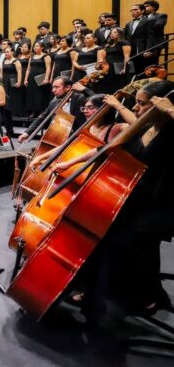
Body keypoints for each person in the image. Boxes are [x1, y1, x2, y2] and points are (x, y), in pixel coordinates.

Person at [54, 80, 174, 328]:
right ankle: (100, 289)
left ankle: (144, 294)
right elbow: (107, 149)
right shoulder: (143, 129)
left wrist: (172, 111)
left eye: (141, 104)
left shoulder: (171, 133)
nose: (136, 109)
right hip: (134, 198)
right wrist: (67, 164)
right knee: (107, 236)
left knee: (127, 240)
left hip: (158, 206)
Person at [17, 77, 94, 144]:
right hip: (58, 139)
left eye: (56, 87)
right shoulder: (53, 102)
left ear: (67, 87)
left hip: (78, 138)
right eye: (53, 87)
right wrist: (26, 133)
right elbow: (41, 118)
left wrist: (84, 89)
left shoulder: (80, 99)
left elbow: (99, 102)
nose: (53, 90)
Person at [140, 0, 168, 65]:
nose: (144, 8)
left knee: (152, 63)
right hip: (142, 44)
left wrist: (145, 22)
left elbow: (159, 26)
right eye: (143, 6)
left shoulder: (161, 16)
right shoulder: (141, 18)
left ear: (154, 7)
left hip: (154, 43)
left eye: (147, 6)